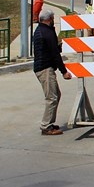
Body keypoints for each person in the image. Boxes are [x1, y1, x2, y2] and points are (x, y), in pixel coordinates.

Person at [33, 8, 72, 136]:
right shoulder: (48, 33)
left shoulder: (40, 30)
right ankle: (46, 126)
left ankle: (50, 122)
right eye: (53, 19)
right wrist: (64, 72)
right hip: (45, 69)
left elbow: (51, 49)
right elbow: (55, 54)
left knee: (56, 95)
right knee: (52, 97)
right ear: (49, 20)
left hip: (43, 68)